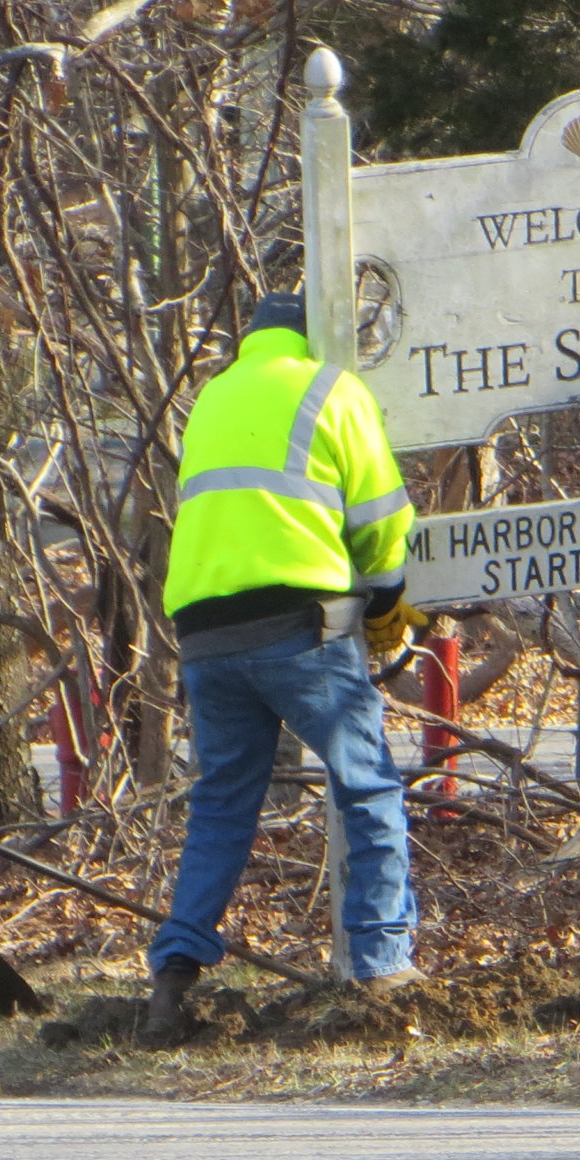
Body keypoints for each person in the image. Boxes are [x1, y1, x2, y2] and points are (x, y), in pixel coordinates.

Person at [143, 291, 425, 1042]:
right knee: (365, 784)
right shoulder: (333, 389)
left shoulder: (213, 396)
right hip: (302, 627)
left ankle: (171, 976)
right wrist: (386, 606)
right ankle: (384, 966)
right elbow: (382, 520)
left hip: (204, 633)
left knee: (223, 802)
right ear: (317, 337)